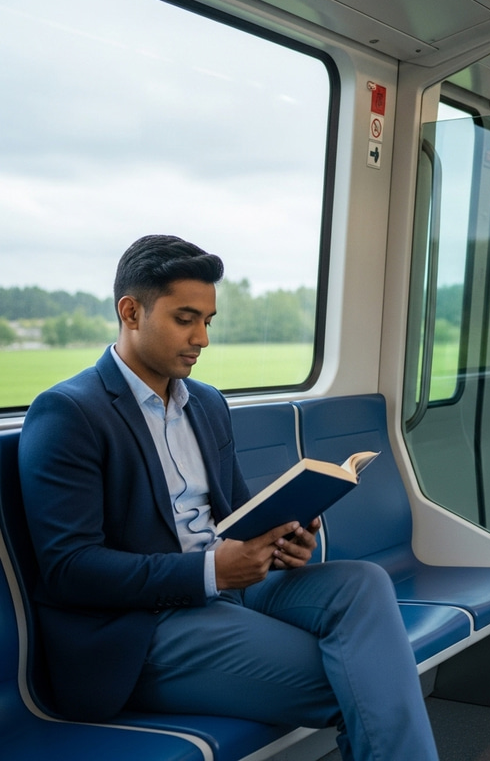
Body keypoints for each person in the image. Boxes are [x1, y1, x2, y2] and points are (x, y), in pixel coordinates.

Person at [18, 234, 439, 761]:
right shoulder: (68, 414)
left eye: (208, 321)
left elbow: (237, 518)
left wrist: (282, 542)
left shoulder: (207, 405)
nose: (203, 339)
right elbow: (70, 567)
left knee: (362, 584)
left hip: (228, 589)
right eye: (185, 318)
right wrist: (212, 572)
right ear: (131, 312)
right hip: (142, 626)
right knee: (368, 680)